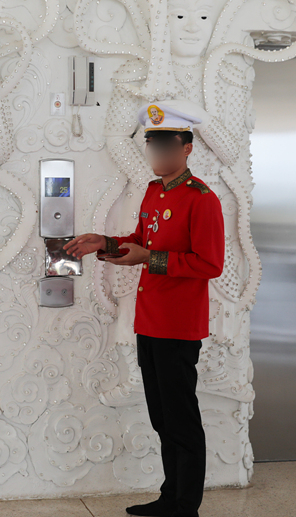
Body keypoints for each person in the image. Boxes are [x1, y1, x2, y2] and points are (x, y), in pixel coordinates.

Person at [64, 103, 225, 517]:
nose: (156, 154)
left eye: (165, 145)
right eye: (151, 145)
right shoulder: (156, 192)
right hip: (150, 319)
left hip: (179, 324)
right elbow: (140, 241)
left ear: (186, 148)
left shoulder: (201, 199)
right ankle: (170, 498)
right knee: (162, 417)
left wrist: (149, 258)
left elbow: (210, 264)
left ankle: (185, 505)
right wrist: (104, 242)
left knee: (181, 419)